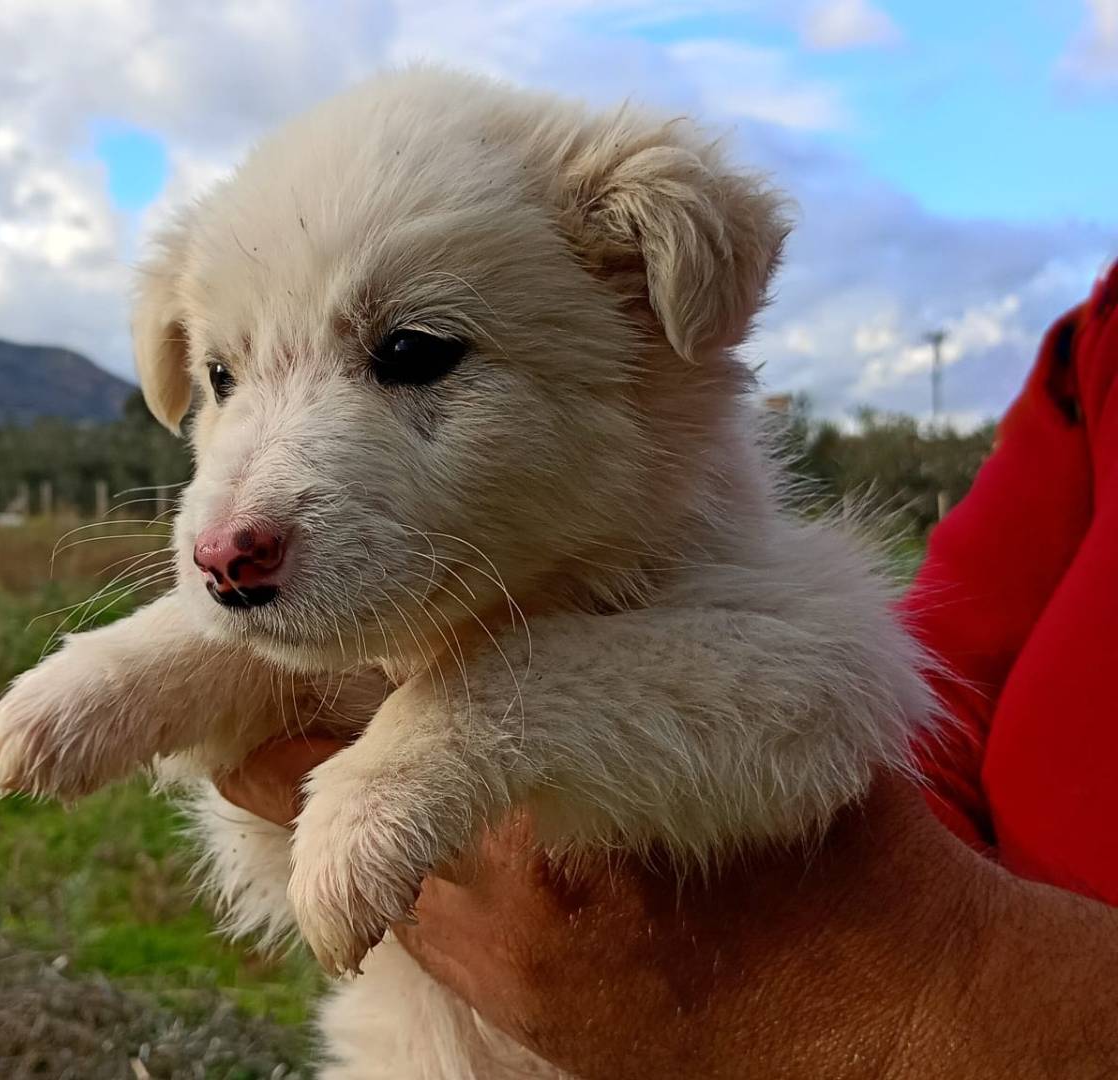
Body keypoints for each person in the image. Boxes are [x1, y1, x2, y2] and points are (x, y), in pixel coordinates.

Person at [217, 262, 1118, 1077]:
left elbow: (815, 683)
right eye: (221, 380)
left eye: (412, 353)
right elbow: (940, 718)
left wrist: (897, 998)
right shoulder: (1094, 350)